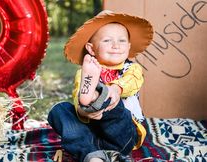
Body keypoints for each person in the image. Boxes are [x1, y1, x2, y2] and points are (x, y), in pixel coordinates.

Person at [48, 10, 153, 162]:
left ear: (129, 47)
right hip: (92, 136)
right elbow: (78, 97)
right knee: (60, 110)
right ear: (91, 49)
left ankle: (99, 96)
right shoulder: (84, 73)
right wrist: (84, 112)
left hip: (121, 136)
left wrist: (115, 90)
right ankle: (92, 156)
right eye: (107, 40)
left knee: (113, 103)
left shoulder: (132, 69)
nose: (116, 45)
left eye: (122, 41)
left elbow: (133, 81)